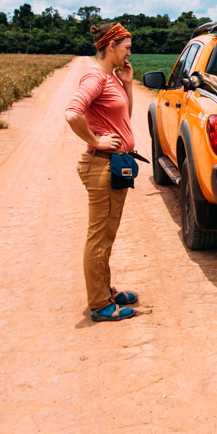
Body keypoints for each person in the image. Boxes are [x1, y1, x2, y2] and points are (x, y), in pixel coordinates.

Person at [64, 22, 140, 322]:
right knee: (99, 237)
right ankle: (99, 304)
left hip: (113, 166)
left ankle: (105, 289)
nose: (129, 52)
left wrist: (129, 84)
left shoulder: (112, 78)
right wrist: (94, 140)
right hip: (102, 165)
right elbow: (72, 113)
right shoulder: (95, 77)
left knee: (107, 234)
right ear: (110, 47)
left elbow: (124, 120)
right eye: (126, 47)